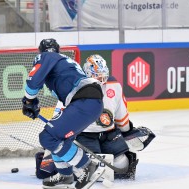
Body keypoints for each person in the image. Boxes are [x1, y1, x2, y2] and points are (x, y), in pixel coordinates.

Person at [35, 54, 155, 181]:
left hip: (109, 134)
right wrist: (57, 133)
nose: (100, 79)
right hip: (83, 135)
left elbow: (121, 114)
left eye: (102, 75)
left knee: (123, 164)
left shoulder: (114, 85)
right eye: (96, 76)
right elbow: (60, 113)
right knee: (86, 169)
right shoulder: (74, 84)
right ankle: (51, 157)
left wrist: (127, 131)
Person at [22, 39, 104, 189]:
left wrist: (28, 101)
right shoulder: (65, 61)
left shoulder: (47, 57)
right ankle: (65, 175)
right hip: (88, 102)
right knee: (58, 137)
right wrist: (33, 104)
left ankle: (86, 165)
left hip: (85, 101)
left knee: (47, 137)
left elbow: (33, 82)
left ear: (41, 51)